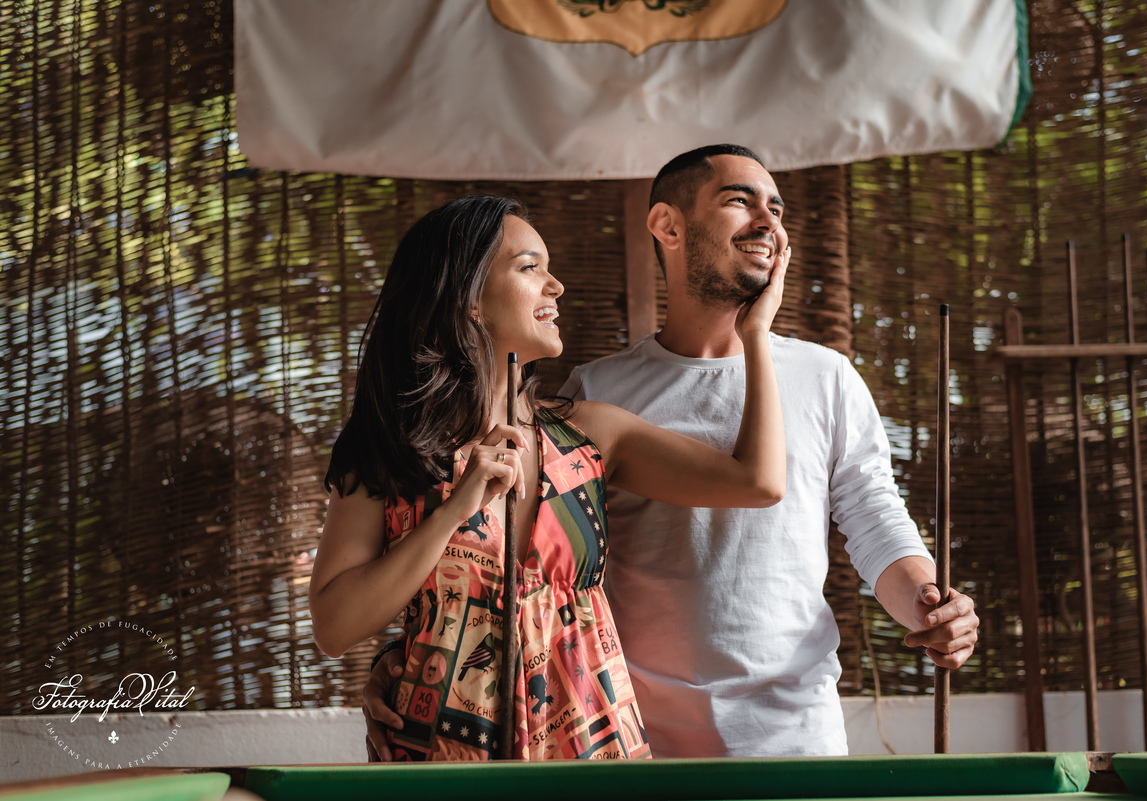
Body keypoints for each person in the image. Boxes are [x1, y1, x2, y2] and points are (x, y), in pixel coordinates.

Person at [363, 147, 979, 760]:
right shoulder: (597, 393)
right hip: (629, 733)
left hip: (796, 735)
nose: (769, 221)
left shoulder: (827, 377)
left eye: (777, 207)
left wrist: (929, 604)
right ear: (668, 226)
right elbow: (533, 560)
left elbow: (874, 519)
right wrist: (412, 654)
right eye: (740, 201)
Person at [311, 193, 790, 762]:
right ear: (468, 299)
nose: (556, 285)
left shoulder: (591, 435)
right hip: (439, 759)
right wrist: (452, 513)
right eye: (530, 267)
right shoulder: (388, 449)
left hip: (592, 749)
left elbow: (758, 482)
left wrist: (755, 333)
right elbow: (335, 627)